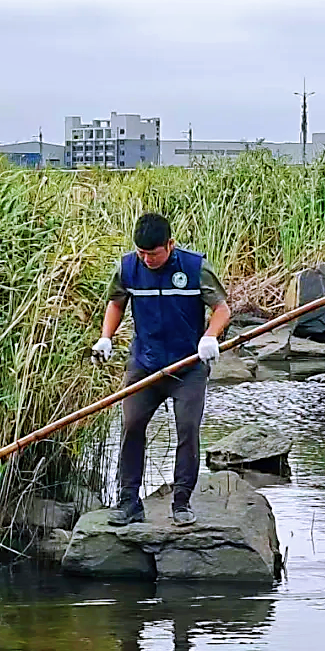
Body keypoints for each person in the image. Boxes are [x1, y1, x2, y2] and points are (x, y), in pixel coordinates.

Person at [91, 213, 231, 525]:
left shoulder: (195, 268)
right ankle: (128, 502)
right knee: (131, 426)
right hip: (145, 364)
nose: (146, 259)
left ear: (170, 244)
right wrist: (106, 337)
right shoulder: (128, 267)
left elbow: (221, 309)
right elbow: (116, 303)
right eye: (141, 252)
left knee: (187, 429)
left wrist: (210, 337)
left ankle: (181, 503)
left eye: (153, 253)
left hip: (188, 366)